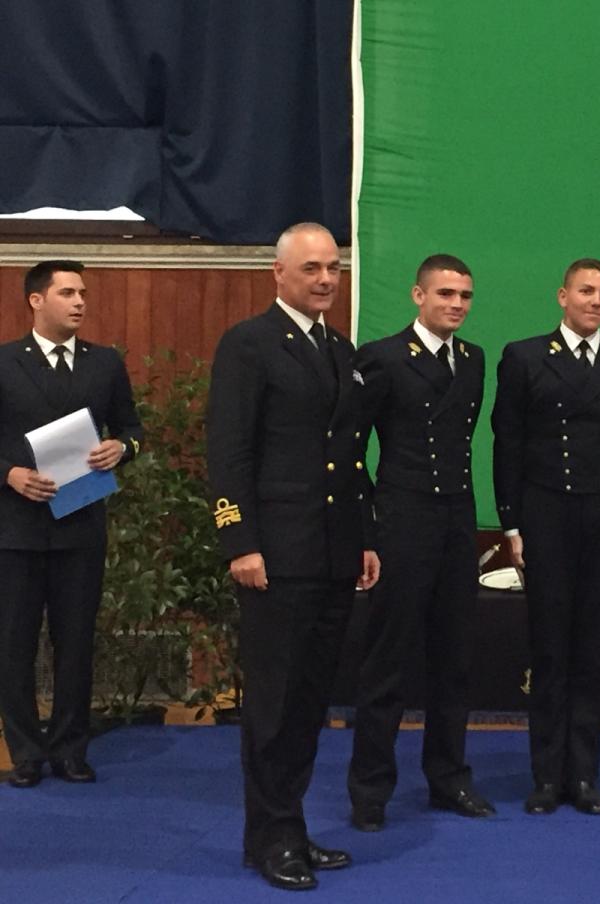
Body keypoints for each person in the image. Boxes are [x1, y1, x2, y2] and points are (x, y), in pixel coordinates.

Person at [206, 223, 381, 891]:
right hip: (275, 554)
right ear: (278, 273)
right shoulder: (249, 344)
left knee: (309, 702)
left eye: (333, 267)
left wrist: (365, 537)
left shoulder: (339, 349)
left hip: (332, 552)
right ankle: (272, 835)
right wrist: (240, 541)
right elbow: (229, 453)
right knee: (274, 704)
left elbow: (350, 458)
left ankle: (288, 826)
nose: (326, 279)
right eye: (312, 268)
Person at [491, 258, 600, 816]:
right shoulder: (525, 357)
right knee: (550, 649)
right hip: (546, 516)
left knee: (592, 653)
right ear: (562, 296)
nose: (596, 301)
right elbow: (507, 443)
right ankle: (545, 777)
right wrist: (511, 524)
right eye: (586, 291)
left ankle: (583, 775)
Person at [347, 254, 493, 830]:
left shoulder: (473, 359)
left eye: (465, 296)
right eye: (445, 294)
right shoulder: (382, 357)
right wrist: (366, 531)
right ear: (418, 295)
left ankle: (449, 778)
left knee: (454, 659)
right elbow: (351, 450)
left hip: (457, 520)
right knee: (389, 662)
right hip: (402, 519)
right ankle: (370, 790)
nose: (456, 304)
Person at [0, 260, 142, 789]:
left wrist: (121, 448)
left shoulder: (105, 363)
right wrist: (9, 473)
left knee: (76, 644)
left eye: (82, 292)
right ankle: (25, 751)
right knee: (13, 646)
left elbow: (132, 427)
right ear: (36, 300)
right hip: (15, 528)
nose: (80, 301)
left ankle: (69, 749)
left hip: (80, 524)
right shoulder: (4, 362)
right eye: (67, 293)